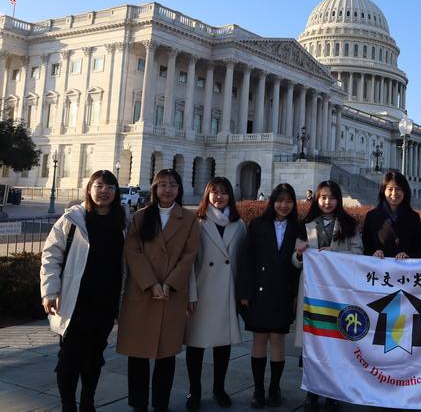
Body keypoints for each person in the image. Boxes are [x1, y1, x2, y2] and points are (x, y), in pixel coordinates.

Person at [40, 170, 126, 412]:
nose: (104, 191)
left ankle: (88, 401)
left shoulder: (122, 221)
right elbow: (51, 255)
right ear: (89, 189)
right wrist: (49, 291)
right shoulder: (73, 219)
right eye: (99, 185)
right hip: (75, 299)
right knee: (69, 358)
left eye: (110, 187)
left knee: (95, 357)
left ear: (116, 192)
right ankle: (68, 405)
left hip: (105, 301)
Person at [116, 169, 200, 412]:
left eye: (173, 185)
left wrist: (168, 283)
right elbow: (133, 252)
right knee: (138, 354)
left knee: (166, 355)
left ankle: (160, 403)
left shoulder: (189, 218)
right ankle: (139, 404)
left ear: (179, 189)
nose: (167, 189)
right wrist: (151, 282)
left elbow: (189, 255)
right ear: (154, 188)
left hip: (170, 293)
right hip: (143, 291)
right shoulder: (141, 217)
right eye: (162, 184)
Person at [293, 180, 363, 409]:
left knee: (335, 343)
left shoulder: (349, 224)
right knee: (312, 342)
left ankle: (333, 390)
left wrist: (332, 254)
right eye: (322, 197)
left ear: (338, 200)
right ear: (316, 199)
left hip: (338, 293)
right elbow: (294, 260)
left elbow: (358, 253)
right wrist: (301, 255)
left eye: (332, 198)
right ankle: (312, 389)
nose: (327, 202)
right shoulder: (305, 224)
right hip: (312, 292)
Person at [238, 183, 304, 408]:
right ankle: (258, 388)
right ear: (272, 201)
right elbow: (246, 260)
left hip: (283, 290)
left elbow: (302, 265)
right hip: (259, 290)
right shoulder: (257, 225)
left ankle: (274, 387)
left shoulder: (300, 227)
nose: (284, 205)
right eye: (279, 200)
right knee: (259, 339)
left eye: (288, 201)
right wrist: (245, 291)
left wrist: (296, 295)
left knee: (277, 339)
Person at [184, 177, 246, 409]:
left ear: (231, 195)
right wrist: (190, 293)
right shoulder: (197, 222)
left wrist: (243, 293)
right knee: (196, 344)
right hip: (201, 290)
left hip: (227, 291)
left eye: (224, 193)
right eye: (214, 192)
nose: (219, 197)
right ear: (207, 195)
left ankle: (219, 388)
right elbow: (189, 262)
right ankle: (194, 390)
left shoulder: (238, 224)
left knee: (223, 345)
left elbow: (243, 262)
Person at [363, 171, 421, 259]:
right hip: (379, 269)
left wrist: (407, 256)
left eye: (398, 189)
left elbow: (418, 250)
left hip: (404, 270)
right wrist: (374, 253)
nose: (394, 193)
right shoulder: (372, 216)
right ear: (383, 191)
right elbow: (365, 247)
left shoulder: (413, 217)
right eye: (390, 189)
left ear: (405, 191)